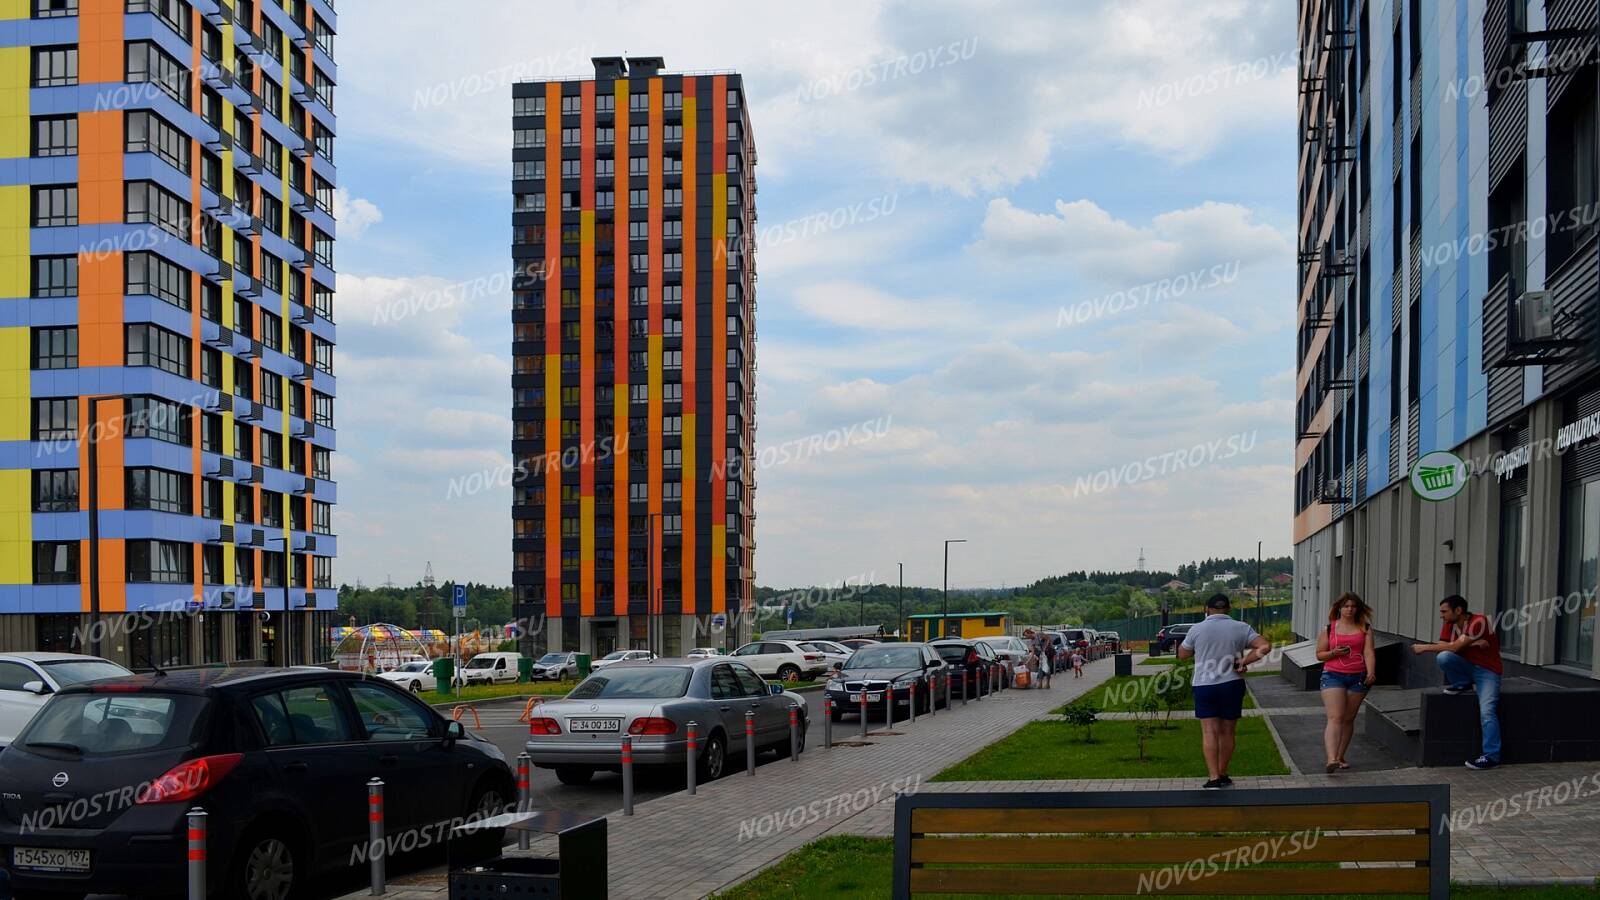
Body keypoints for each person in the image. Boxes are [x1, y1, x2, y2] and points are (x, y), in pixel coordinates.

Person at [1178, 594, 1271, 789]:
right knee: (1228, 731)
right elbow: (1265, 646)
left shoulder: (1197, 629)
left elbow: (1183, 654)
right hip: (1232, 683)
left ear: (1207, 608)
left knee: (1209, 731)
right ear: (1229, 609)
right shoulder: (1241, 627)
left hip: (1204, 685)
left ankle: (1213, 778)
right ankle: (1223, 772)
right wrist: (1243, 661)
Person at [1411, 595, 1503, 769]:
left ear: (1458, 610)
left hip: (1487, 671)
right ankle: (1462, 683)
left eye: (1444, 611)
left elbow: (1453, 647)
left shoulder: (1478, 622)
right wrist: (1471, 644)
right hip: (1467, 666)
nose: (1442, 615)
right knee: (1444, 657)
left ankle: (1491, 757)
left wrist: (1423, 647)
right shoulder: (1449, 624)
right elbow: (1444, 647)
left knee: (1487, 711)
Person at [1316, 592, 1376, 774]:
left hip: (1358, 677)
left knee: (1349, 718)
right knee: (1336, 717)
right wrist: (1334, 653)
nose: (1350, 609)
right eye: (1346, 606)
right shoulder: (1329, 629)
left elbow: (1369, 652)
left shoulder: (1364, 627)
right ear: (1339, 608)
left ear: (1358, 609)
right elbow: (1319, 654)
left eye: (1353, 606)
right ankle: (1331, 758)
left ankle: (1340, 756)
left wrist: (1371, 672)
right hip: (1333, 675)